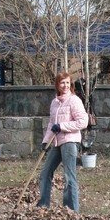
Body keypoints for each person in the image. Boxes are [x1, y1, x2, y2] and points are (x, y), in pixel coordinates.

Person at [38, 72, 88, 212]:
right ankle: (43, 205)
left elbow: (83, 122)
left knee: (69, 175)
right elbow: (51, 124)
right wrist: (45, 141)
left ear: (70, 84)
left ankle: (70, 209)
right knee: (45, 173)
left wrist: (62, 126)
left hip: (70, 142)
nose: (65, 85)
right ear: (57, 85)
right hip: (55, 142)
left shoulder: (74, 100)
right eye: (62, 83)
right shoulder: (54, 102)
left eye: (67, 83)